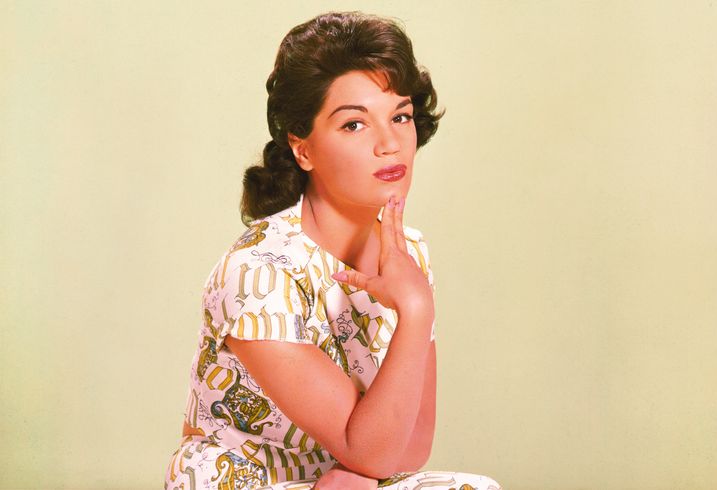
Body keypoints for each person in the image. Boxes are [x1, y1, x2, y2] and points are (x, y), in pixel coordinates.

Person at [164, 11, 502, 490]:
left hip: (345, 478)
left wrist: (355, 475)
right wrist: (415, 309)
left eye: (400, 116)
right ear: (303, 149)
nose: (390, 144)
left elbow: (409, 446)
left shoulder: (408, 254)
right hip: (240, 481)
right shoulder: (258, 270)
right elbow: (372, 450)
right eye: (354, 125)